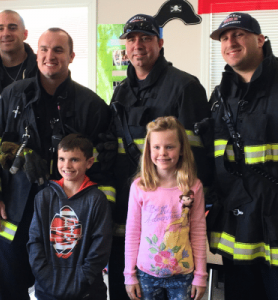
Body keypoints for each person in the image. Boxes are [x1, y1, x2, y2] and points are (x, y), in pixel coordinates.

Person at [0, 28, 110, 300]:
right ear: (36, 54)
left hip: (67, 219)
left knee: (64, 291)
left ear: (72, 56)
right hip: (13, 213)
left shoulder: (92, 106)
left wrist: (100, 215)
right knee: (7, 290)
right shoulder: (11, 96)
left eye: (59, 50)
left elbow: (103, 166)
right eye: (44, 49)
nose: (50, 56)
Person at [107, 14, 211, 300]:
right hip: (131, 210)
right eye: (131, 39)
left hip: (175, 218)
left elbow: (198, 156)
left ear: (160, 43)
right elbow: (111, 151)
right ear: (125, 46)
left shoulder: (186, 87)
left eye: (145, 38)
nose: (137, 44)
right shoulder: (119, 94)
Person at [206, 12, 278, 300]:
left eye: (238, 34)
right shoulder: (219, 95)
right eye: (224, 37)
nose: (230, 42)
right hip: (235, 222)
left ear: (260, 39)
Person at [124, 116, 207, 300]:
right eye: (157, 147)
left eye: (169, 147)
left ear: (181, 149)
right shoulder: (139, 187)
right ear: (149, 150)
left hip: (184, 275)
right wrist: (129, 275)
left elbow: (199, 232)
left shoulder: (193, 187)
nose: (163, 153)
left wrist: (201, 276)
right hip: (145, 275)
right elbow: (132, 232)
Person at [27, 133, 112, 300]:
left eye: (74, 159)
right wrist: (44, 276)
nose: (67, 165)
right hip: (47, 289)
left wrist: (83, 278)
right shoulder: (43, 197)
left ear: (89, 162)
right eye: (61, 159)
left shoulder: (97, 199)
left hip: (87, 290)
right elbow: (34, 240)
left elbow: (101, 245)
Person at [0, 10, 37, 215]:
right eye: (0, 28)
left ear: (24, 33)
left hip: (32, 172)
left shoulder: (42, 71)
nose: (6, 33)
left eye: (12, 27)